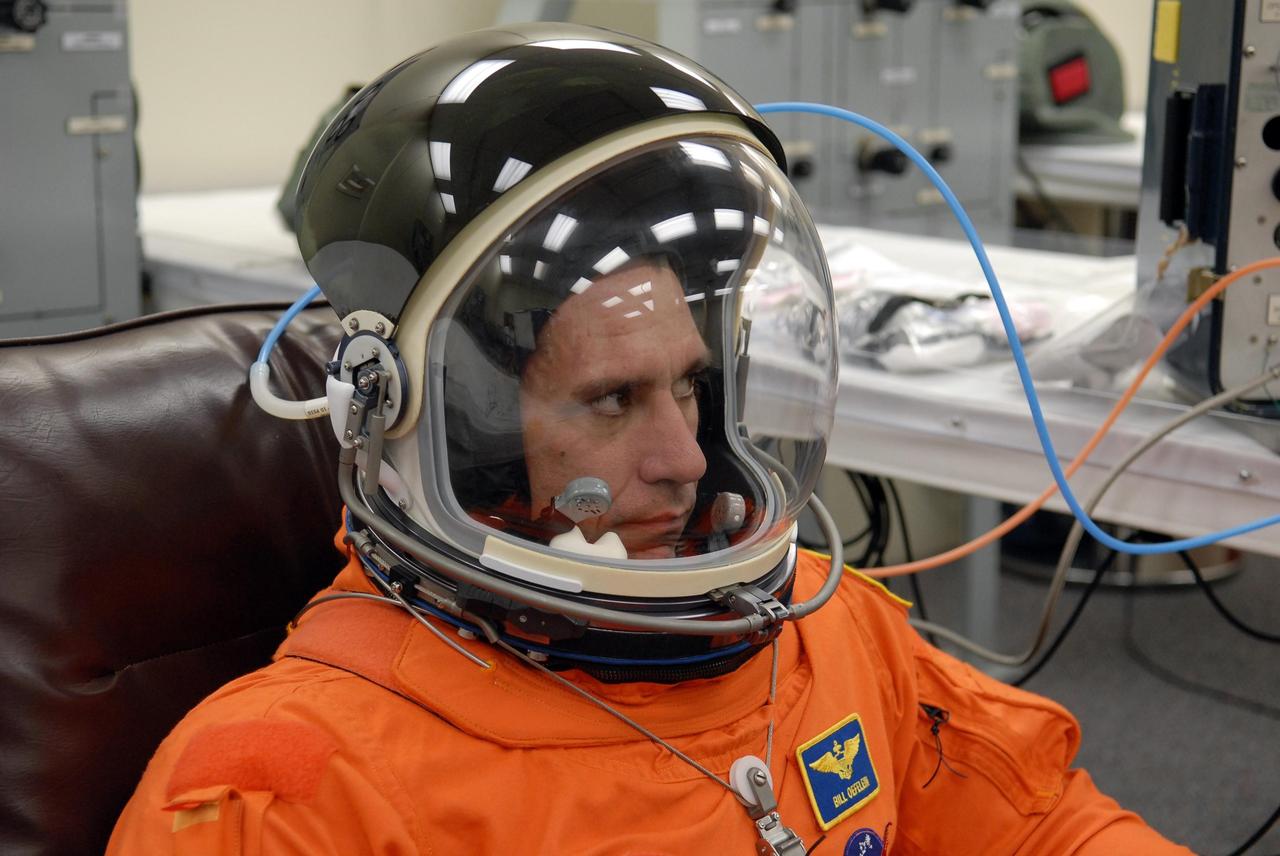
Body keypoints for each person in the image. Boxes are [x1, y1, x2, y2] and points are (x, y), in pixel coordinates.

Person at [108, 23, 1194, 855]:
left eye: (691, 386)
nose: (681, 458)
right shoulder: (289, 790)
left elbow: (1048, 822)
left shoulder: (828, 632)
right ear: (442, 424)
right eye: (610, 401)